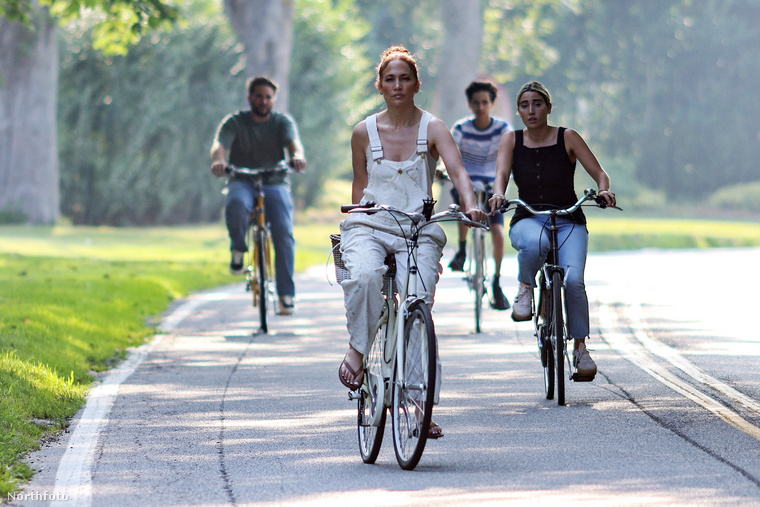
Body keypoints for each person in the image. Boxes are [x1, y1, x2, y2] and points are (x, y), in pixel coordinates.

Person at [337, 46, 487, 438]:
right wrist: (354, 219)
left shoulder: (433, 128)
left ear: (417, 84)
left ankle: (420, 408)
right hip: (370, 225)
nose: (398, 85)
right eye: (390, 79)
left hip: (417, 228)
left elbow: (458, 172)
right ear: (380, 86)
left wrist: (470, 207)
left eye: (405, 78)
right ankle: (358, 345)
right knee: (367, 276)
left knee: (418, 304)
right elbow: (359, 188)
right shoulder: (363, 132)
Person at [489, 81, 616, 380]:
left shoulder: (567, 137)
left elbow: (599, 173)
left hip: (569, 218)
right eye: (524, 105)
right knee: (535, 244)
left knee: (574, 282)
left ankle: (581, 349)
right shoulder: (511, 140)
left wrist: (604, 190)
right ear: (519, 110)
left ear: (548, 107)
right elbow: (501, 175)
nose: (531, 110)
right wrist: (497, 194)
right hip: (529, 217)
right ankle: (525, 289)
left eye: (537, 104)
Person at [210, 76, 307, 316]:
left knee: (284, 234)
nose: (263, 101)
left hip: (274, 181)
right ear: (249, 98)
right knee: (236, 204)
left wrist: (297, 156)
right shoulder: (235, 122)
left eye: (268, 97)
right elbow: (219, 145)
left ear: (273, 99)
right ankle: (238, 249)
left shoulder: (281, 122)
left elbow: (294, 143)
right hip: (242, 179)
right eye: (258, 96)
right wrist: (219, 161)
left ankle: (286, 296)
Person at [447, 81, 512, 311]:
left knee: (498, 234)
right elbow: (452, 155)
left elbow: (508, 159)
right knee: (465, 200)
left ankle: (496, 280)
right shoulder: (461, 128)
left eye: (485, 102)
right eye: (476, 103)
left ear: (492, 103)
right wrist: (445, 172)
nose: (481, 107)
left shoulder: (503, 129)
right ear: (470, 104)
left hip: (494, 186)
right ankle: (463, 250)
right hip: (467, 182)